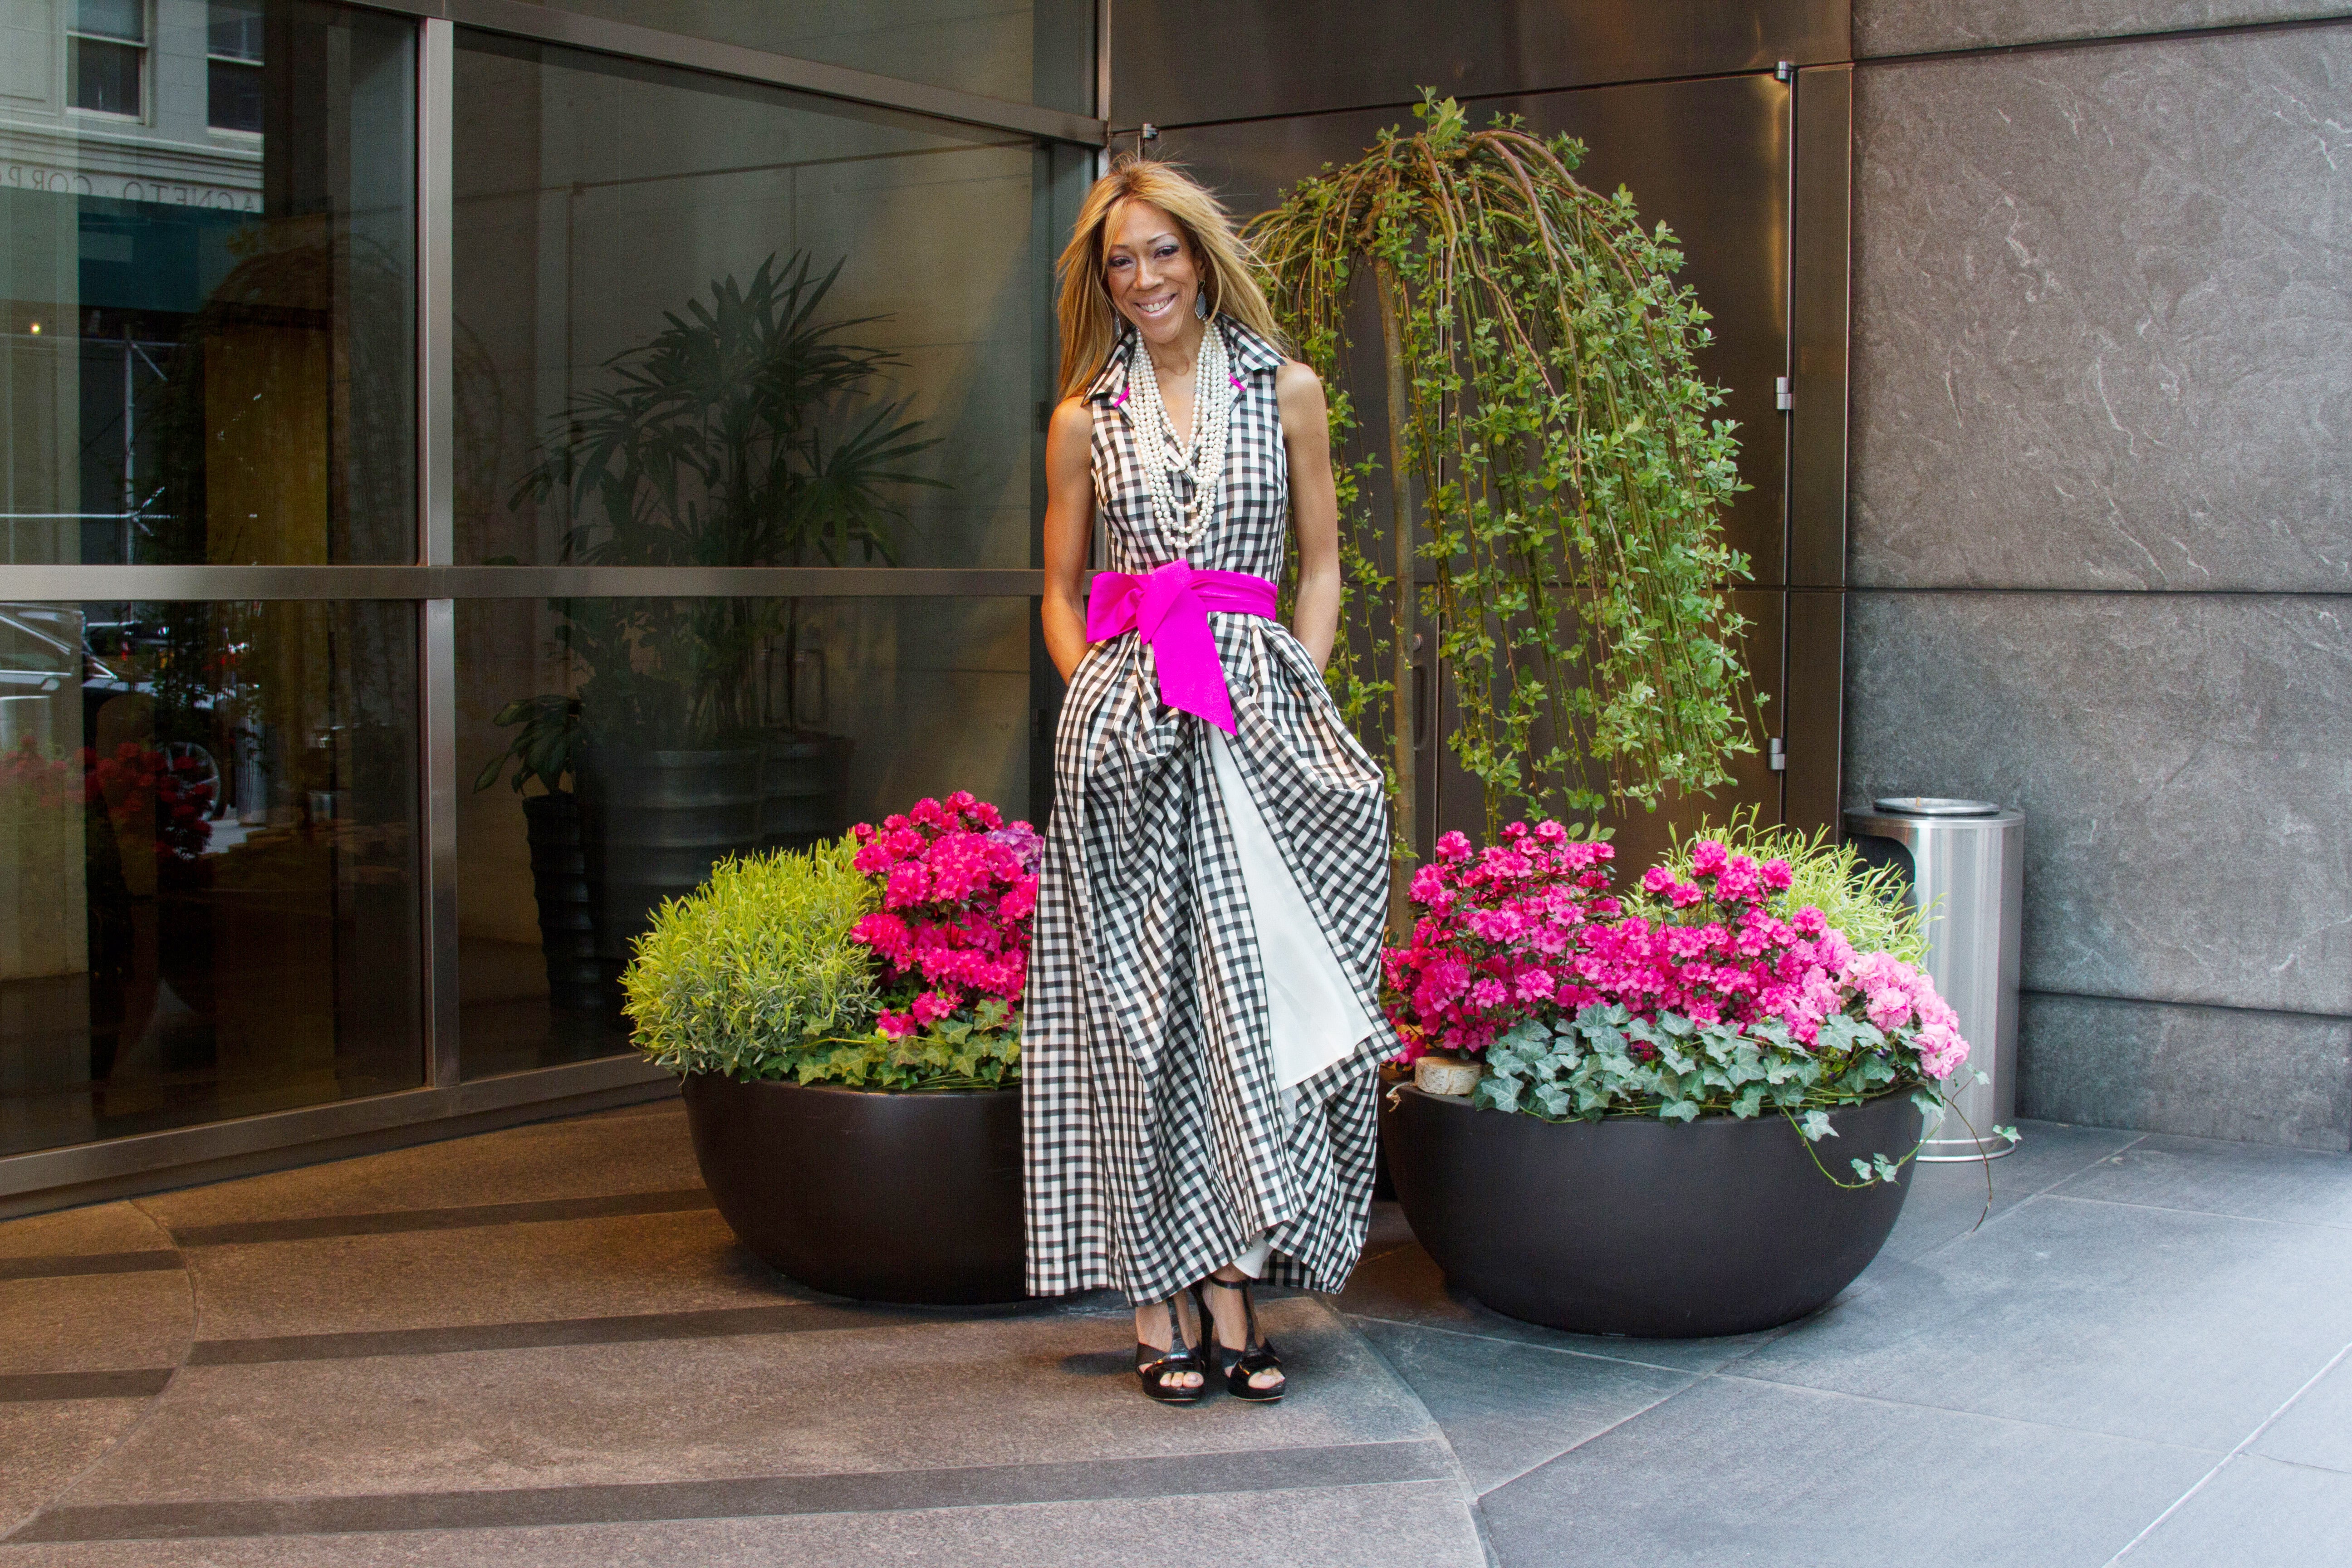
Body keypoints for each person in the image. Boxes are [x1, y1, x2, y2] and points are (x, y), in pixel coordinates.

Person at [1024, 156, 1397, 1405]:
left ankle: (1232, 1272)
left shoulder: (1284, 389)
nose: (1143, 281)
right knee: (1139, 1010)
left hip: (1253, 717)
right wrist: (1093, 698)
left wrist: (1300, 685)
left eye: (1161, 254)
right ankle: (1156, 1292)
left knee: (1259, 999)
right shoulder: (1088, 417)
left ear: (1201, 253)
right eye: (1119, 262)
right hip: (1128, 732)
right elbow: (1061, 591)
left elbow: (1326, 560)